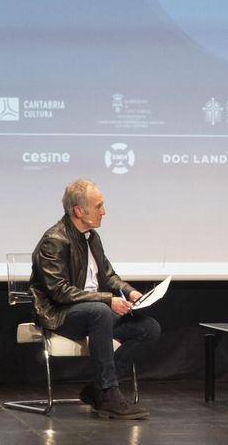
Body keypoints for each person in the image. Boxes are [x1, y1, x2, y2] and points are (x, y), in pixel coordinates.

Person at [30, 179, 160, 419]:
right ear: (79, 211)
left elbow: (108, 275)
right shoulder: (54, 240)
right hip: (60, 314)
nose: (104, 211)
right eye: (98, 206)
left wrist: (130, 291)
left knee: (149, 327)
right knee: (99, 311)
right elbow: (59, 292)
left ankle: (97, 389)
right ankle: (109, 394)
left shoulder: (92, 237)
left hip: (94, 313)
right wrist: (108, 300)